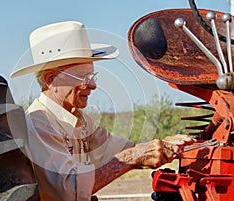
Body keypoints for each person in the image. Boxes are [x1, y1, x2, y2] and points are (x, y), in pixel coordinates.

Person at [10, 21, 195, 201]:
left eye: (92, 75)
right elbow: (68, 191)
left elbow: (117, 149)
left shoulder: (79, 119)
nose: (93, 85)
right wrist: (134, 157)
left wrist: (163, 145)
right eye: (83, 77)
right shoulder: (39, 123)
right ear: (51, 79)